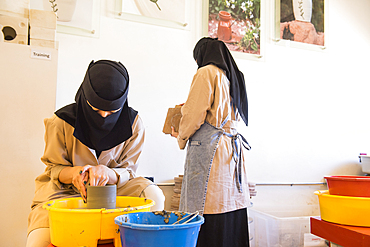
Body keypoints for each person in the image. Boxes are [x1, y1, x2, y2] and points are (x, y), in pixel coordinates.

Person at [26, 60, 165, 247]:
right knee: (38, 241)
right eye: (95, 109)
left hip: (115, 189)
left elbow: (129, 171)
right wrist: (75, 174)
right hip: (65, 192)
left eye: (113, 111)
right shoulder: (60, 122)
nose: (104, 116)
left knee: (154, 194)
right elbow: (54, 168)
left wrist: (110, 174)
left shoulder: (134, 124)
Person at [171, 37, 253, 247]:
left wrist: (180, 134)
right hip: (231, 149)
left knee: (207, 206)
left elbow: (193, 115)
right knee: (230, 205)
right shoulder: (234, 76)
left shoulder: (206, 72)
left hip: (212, 150)